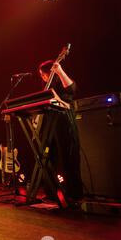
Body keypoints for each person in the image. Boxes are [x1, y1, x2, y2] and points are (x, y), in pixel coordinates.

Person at [38, 60, 83, 203]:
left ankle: (74, 195)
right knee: (47, 158)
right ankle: (51, 193)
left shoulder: (62, 82)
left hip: (64, 123)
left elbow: (72, 89)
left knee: (69, 158)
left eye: (42, 74)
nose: (42, 77)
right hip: (50, 125)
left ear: (48, 73)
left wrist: (60, 71)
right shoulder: (48, 87)